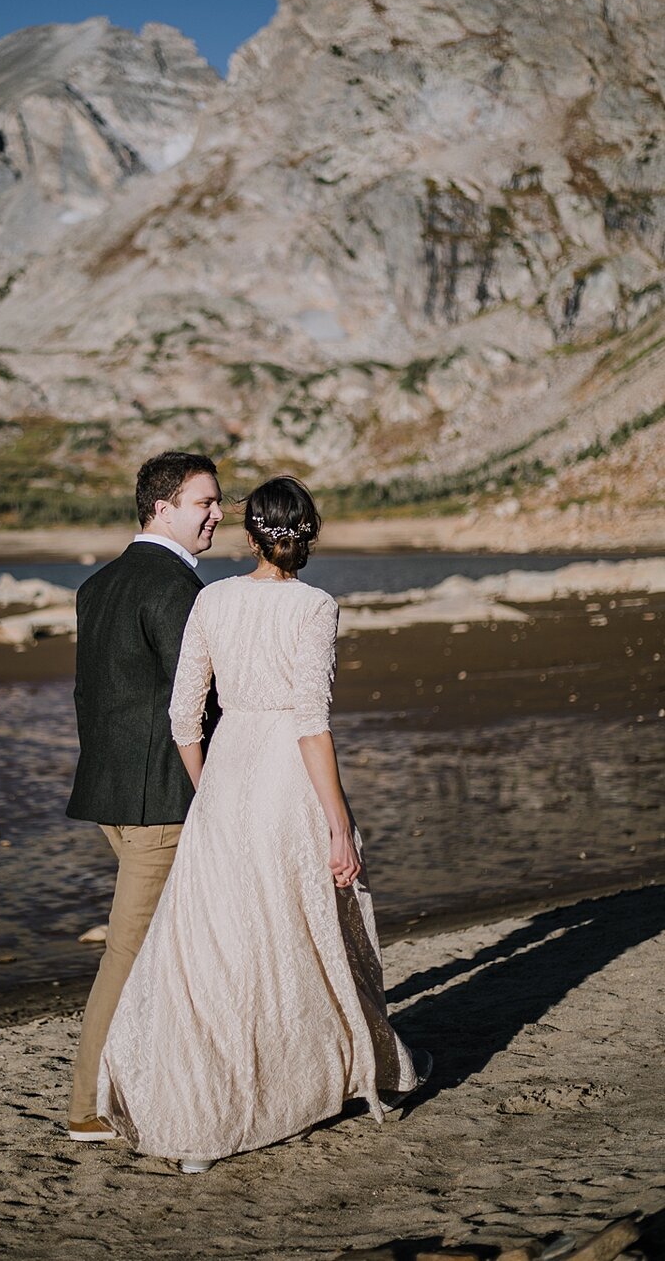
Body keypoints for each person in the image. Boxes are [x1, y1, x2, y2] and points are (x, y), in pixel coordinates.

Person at [97, 475, 430, 1171]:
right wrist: (339, 826)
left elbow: (183, 716)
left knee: (221, 948)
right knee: (304, 932)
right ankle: (332, 1074)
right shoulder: (315, 606)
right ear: (307, 536)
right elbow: (312, 722)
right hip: (287, 780)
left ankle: (202, 1114)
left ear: (252, 536)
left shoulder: (213, 598)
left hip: (228, 773)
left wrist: (209, 788)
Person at [65, 450, 224, 1140]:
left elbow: (93, 695)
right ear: (161, 507)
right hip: (162, 801)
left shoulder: (97, 586)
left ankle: (150, 1079)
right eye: (204, 503)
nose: (220, 513)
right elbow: (199, 704)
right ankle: (88, 1107)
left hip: (109, 794)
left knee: (161, 950)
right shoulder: (179, 591)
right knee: (130, 953)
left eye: (219, 501)